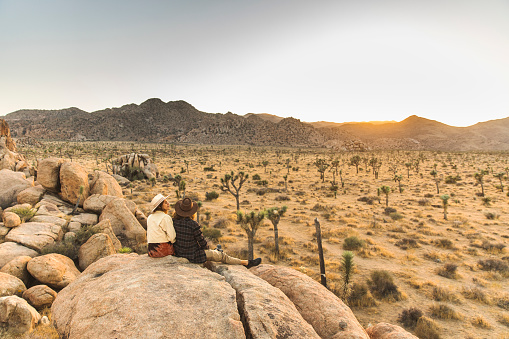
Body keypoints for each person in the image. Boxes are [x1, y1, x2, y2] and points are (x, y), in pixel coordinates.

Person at [172, 197, 261, 268]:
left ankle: (217, 251)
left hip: (179, 253)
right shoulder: (193, 224)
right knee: (222, 256)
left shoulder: (173, 222)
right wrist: (206, 249)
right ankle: (246, 263)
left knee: (215, 252)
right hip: (193, 256)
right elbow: (202, 242)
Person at [147, 193, 176, 258]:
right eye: (165, 203)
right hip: (162, 250)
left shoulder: (150, 217)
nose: (168, 204)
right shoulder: (165, 217)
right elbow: (172, 237)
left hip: (151, 250)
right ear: (159, 206)